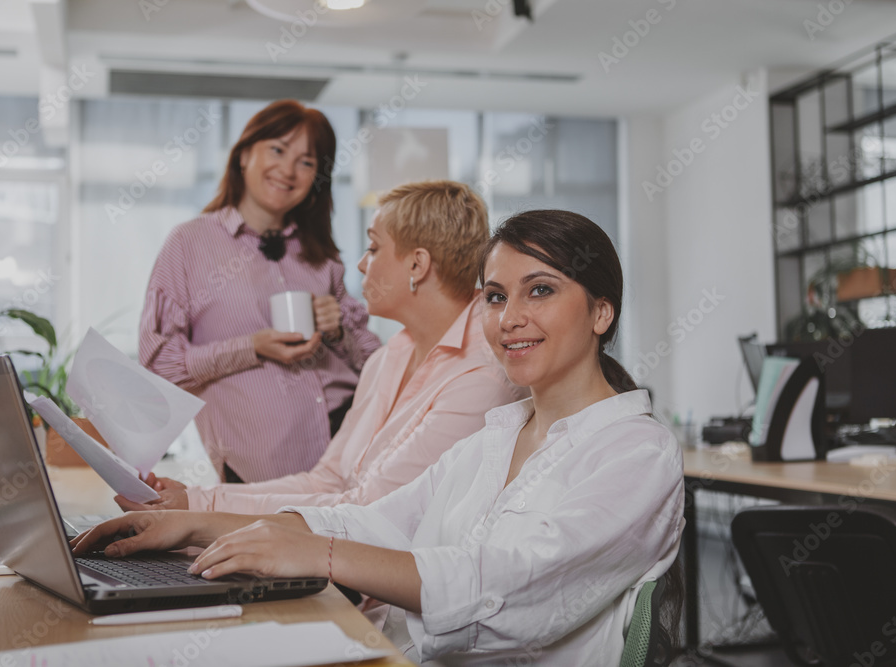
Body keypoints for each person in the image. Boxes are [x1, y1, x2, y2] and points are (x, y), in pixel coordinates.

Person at [75, 210, 685, 665]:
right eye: (496, 297)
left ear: (602, 313)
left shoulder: (636, 453)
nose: (510, 318)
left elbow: (507, 582)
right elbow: (376, 522)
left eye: (541, 290)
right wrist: (195, 524)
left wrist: (319, 554)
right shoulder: (494, 440)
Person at [122, 180, 524, 516]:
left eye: (373, 247)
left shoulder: (483, 377)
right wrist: (193, 499)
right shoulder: (389, 357)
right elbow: (327, 480)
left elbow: (366, 508)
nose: (362, 265)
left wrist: (198, 509)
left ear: (417, 266)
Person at [139, 100, 380, 483]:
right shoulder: (189, 244)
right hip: (263, 466)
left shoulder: (322, 254)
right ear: (245, 154)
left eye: (306, 161)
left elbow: (377, 364)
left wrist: (338, 332)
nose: (288, 170)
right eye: (278, 149)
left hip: (355, 442)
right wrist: (252, 347)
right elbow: (159, 364)